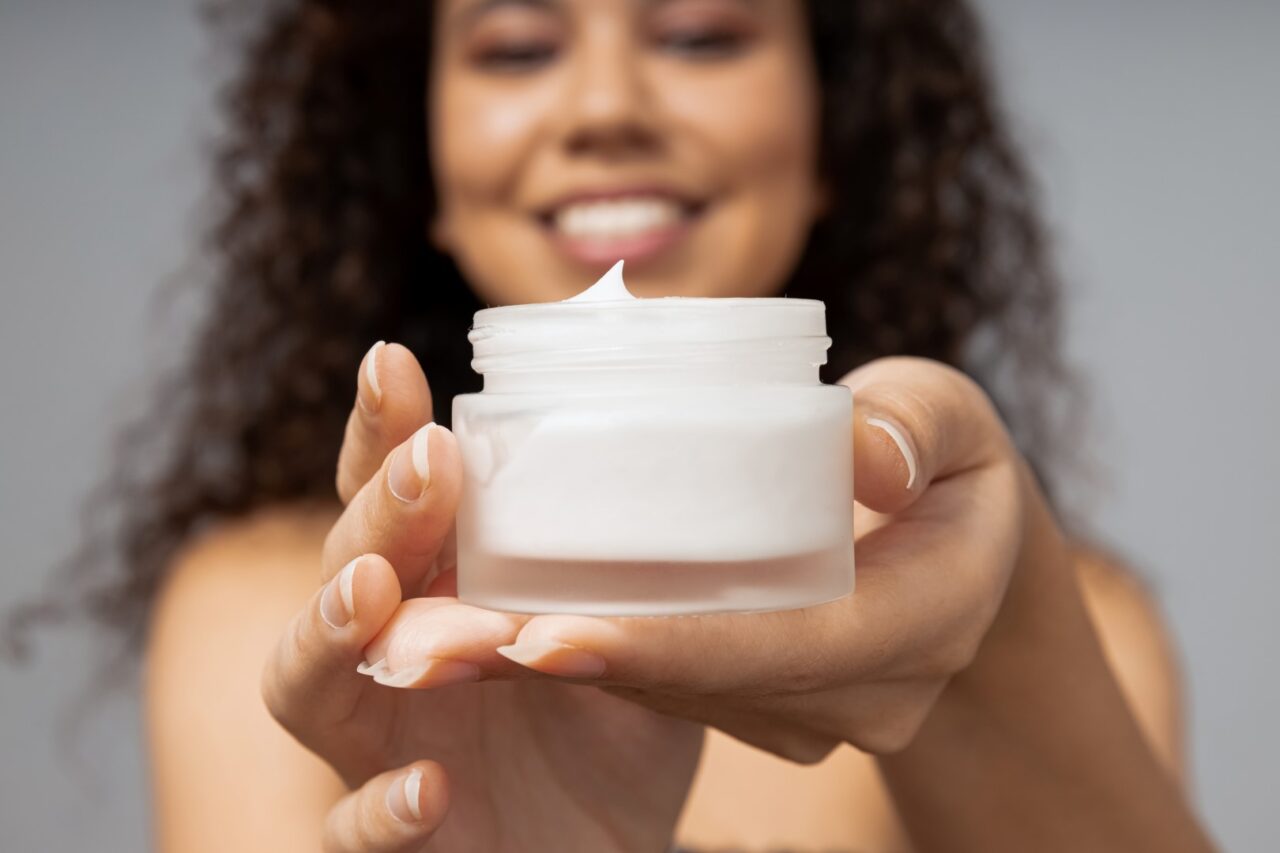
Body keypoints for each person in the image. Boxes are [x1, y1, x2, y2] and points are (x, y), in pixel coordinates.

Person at [82, 0, 1214, 850]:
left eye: (699, 35)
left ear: (833, 135)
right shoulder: (295, 618)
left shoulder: (1058, 626)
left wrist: (1006, 632)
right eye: (517, 47)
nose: (607, 108)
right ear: (414, 158)